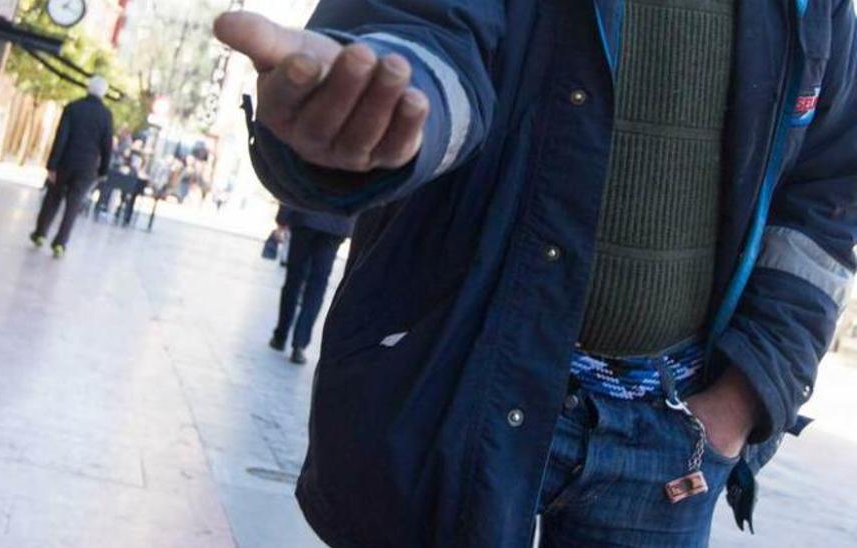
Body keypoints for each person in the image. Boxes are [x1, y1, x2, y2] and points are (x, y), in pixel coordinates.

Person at [215, 2, 857, 547]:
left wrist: (742, 400)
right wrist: (380, 103)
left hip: (671, 441)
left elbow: (827, 189)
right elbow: (424, 37)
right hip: (458, 391)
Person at [30, 76, 114, 258]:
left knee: (52, 198)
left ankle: (40, 233)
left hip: (65, 163)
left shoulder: (73, 108)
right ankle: (60, 243)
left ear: (87, 87)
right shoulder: (106, 116)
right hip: (87, 167)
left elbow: (60, 138)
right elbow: (107, 146)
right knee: (73, 205)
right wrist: (103, 171)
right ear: (104, 93)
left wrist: (52, 165)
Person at [271, 205, 354, 365]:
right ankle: (300, 344)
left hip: (306, 217)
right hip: (336, 222)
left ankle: (280, 336)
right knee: (317, 285)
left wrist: (282, 218)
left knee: (294, 279)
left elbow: (296, 181)